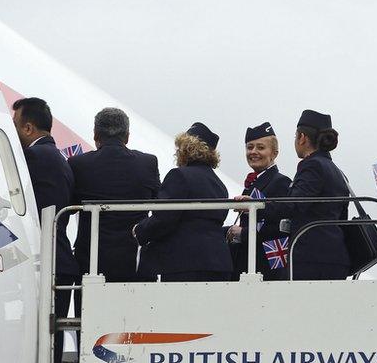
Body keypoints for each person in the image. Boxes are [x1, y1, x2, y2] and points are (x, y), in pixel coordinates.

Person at [12, 97, 81, 363]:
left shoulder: (34, 157)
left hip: (48, 258)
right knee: (50, 332)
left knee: (41, 334)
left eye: (16, 126)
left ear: (28, 127)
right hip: (62, 257)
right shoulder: (59, 158)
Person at [246, 109, 350, 280]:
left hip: (312, 256)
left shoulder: (312, 166)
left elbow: (293, 204)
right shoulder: (337, 171)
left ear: (302, 137)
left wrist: (255, 207)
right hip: (336, 255)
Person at [68, 107, 161, 281]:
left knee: (89, 309)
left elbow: (70, 206)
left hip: (91, 263)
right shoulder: (147, 163)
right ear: (127, 136)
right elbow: (159, 203)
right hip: (134, 261)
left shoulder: (78, 164)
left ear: (96, 135)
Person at [133, 122, 232, 282]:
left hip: (184, 262)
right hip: (219, 262)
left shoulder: (179, 176)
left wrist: (139, 231)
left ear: (187, 148)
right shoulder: (219, 184)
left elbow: (164, 218)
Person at [225, 122, 292, 280]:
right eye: (250, 147)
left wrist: (243, 233)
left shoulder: (280, 182)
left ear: (274, 153)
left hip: (267, 266)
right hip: (249, 262)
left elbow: (282, 227)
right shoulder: (254, 184)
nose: (253, 152)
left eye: (260, 148)